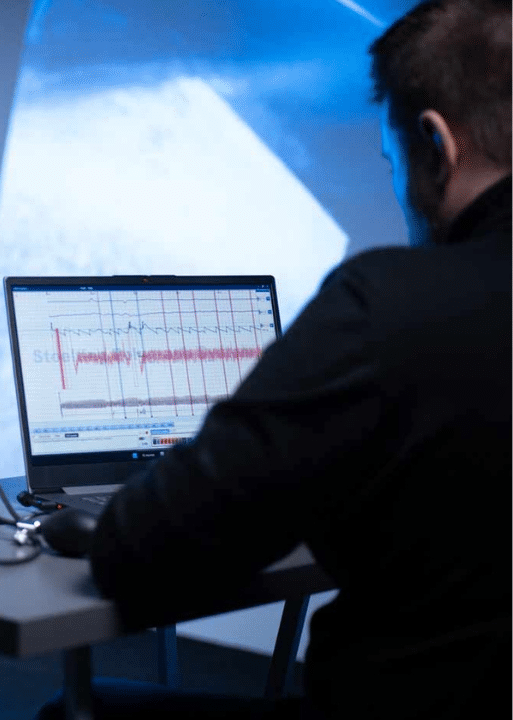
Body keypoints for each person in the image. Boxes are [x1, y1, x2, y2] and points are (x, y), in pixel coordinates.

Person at [40, 1, 510, 718]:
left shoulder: (389, 303)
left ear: (435, 144)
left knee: (69, 709)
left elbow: (150, 552)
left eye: (392, 164)